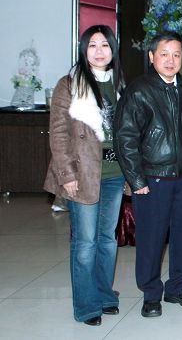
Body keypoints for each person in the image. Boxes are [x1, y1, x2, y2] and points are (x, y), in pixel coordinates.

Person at [114, 31, 182, 318]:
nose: (170, 60)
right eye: (164, 54)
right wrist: (136, 179)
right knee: (151, 239)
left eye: (176, 54)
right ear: (152, 56)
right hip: (153, 178)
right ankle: (151, 293)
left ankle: (179, 288)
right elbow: (125, 138)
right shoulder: (138, 90)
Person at [44, 25, 125, 326]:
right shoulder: (69, 84)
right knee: (85, 242)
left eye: (105, 45)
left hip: (115, 173)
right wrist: (66, 174)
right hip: (83, 173)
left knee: (107, 240)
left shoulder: (119, 83)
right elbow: (58, 134)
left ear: (113, 50)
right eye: (92, 45)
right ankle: (87, 306)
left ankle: (105, 295)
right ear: (83, 50)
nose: (99, 51)